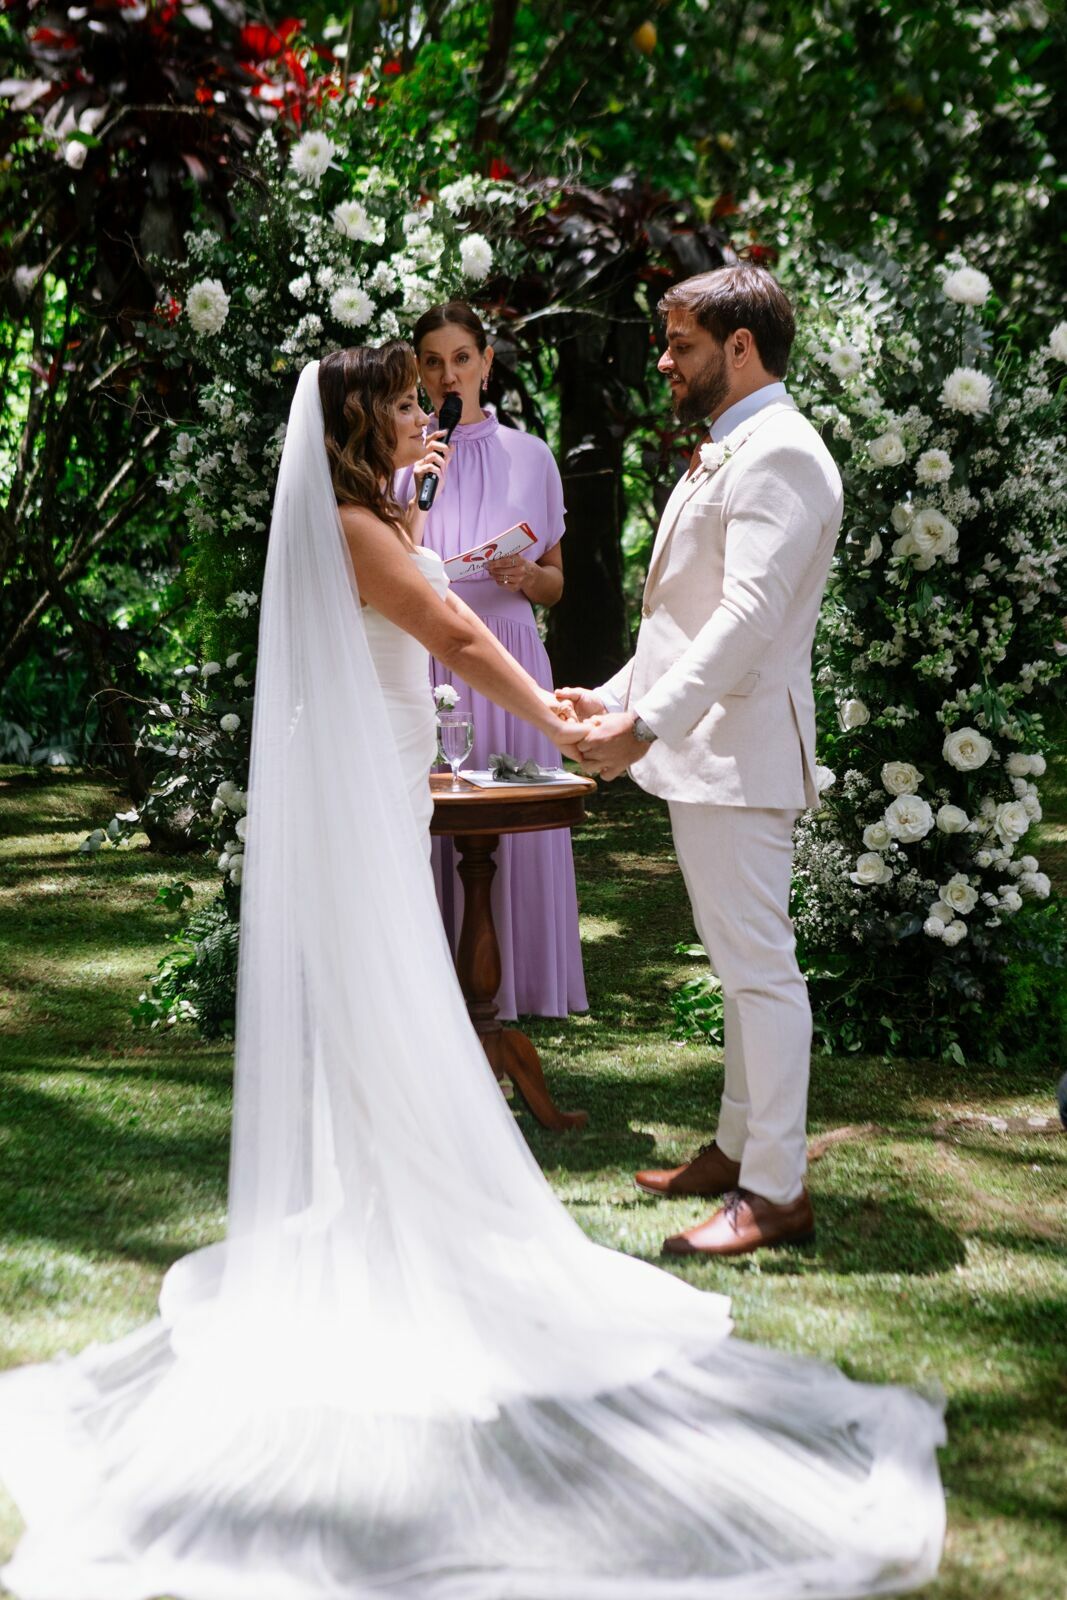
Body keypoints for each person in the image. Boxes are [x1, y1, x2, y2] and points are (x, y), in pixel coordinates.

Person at [0, 342, 945, 1600]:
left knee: (388, 980)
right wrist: (551, 708)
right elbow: (444, 622)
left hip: (382, 767)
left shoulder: (371, 511)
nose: (421, 411)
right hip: (369, 772)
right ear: (353, 422)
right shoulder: (355, 523)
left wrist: (416, 499)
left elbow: (420, 594)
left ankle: (375, 1202)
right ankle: (393, 1219)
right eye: (401, 401)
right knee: (386, 983)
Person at [562, 263, 843, 1260]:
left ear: (738, 346)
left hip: (742, 750)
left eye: (679, 343)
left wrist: (646, 726)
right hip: (708, 749)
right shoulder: (731, 447)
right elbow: (682, 617)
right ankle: (733, 1148)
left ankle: (775, 1189)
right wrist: (613, 694)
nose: (665, 360)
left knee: (759, 971)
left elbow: (747, 620)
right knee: (737, 969)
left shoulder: (781, 456)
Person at [396, 300, 588, 1021]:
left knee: (517, 815)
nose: (449, 375)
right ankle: (437, 990)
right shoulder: (404, 455)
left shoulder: (531, 456)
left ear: (486, 362)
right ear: (417, 370)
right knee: (435, 817)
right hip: (428, 656)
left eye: (461, 359)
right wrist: (416, 473)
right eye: (432, 362)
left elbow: (557, 582)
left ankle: (525, 984)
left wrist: (527, 578)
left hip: (509, 652)